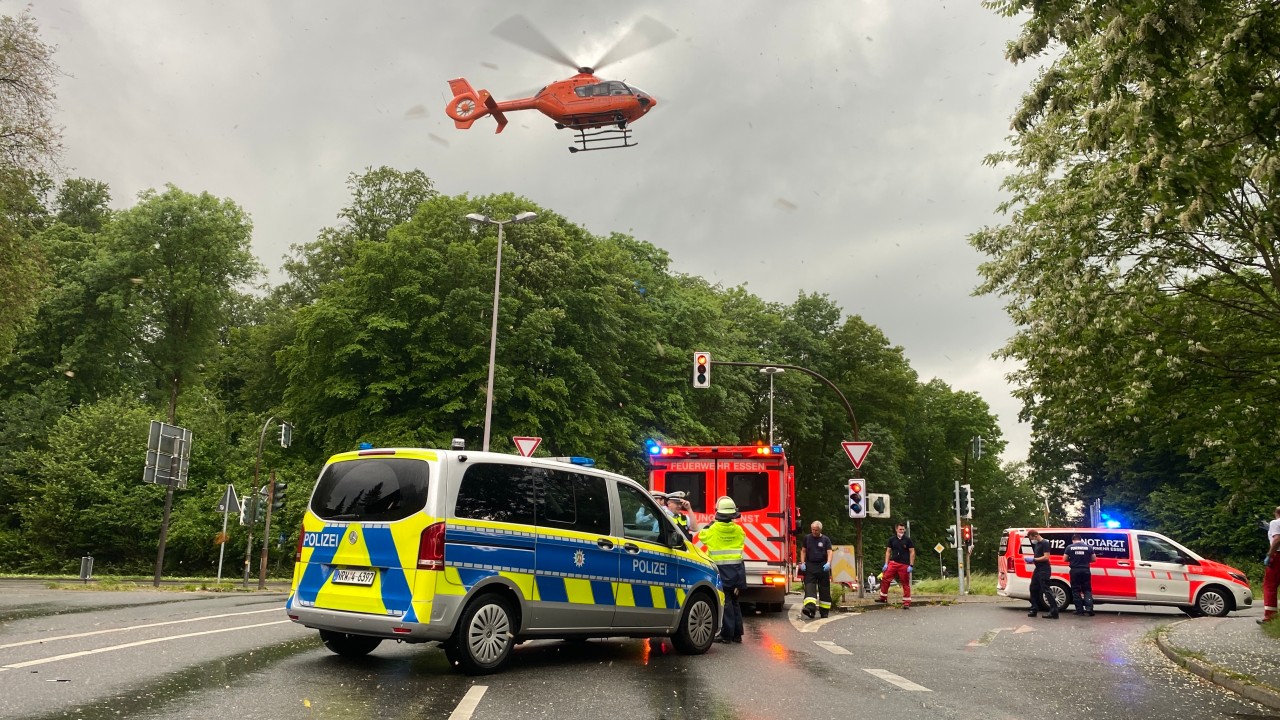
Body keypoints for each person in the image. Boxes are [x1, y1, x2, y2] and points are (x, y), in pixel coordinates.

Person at [700, 496, 746, 643]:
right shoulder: (739, 530)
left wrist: (712, 521)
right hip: (737, 570)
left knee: (724, 602)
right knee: (734, 601)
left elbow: (702, 536)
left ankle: (726, 635)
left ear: (718, 513)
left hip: (721, 570)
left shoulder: (712, 530)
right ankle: (737, 635)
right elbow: (741, 538)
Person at [799, 521, 834, 619]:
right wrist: (803, 563)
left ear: (820, 530)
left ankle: (824, 612)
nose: (814, 532)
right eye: (812, 530)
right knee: (809, 588)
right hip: (810, 566)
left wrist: (828, 563)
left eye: (816, 530)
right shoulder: (807, 538)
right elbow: (803, 551)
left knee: (824, 589)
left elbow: (829, 552)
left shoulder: (825, 539)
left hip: (823, 566)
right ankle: (810, 608)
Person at [877, 523, 915, 609]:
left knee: (905, 582)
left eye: (903, 529)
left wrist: (911, 565)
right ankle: (883, 598)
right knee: (885, 578)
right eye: (900, 529)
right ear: (896, 530)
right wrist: (886, 563)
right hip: (893, 563)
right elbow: (888, 551)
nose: (902, 531)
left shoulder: (908, 540)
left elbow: (912, 552)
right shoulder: (892, 540)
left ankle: (906, 602)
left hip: (904, 564)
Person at [1024, 529, 1058, 619]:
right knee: (1033, 588)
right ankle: (1034, 608)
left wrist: (1034, 560)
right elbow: (1039, 556)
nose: (1031, 540)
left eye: (1031, 538)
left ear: (1035, 535)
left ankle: (1054, 611)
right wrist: (1033, 560)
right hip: (1038, 568)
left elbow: (1046, 557)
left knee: (1046, 589)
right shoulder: (1037, 544)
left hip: (1044, 569)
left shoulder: (1045, 543)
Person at [1066, 532, 1095, 616]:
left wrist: (1073, 560)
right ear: (1080, 539)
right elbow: (1094, 559)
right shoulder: (1089, 547)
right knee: (1087, 590)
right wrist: (1085, 561)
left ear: (1073, 540)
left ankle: (1079, 610)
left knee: (1075, 590)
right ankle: (1089, 608)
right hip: (1086, 570)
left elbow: (1065, 559)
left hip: (1075, 570)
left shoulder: (1069, 547)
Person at [1261, 505, 1280, 625]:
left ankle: (1270, 616)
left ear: (1276, 513)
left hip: (1277, 556)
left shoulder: (1275, 523)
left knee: (1270, 586)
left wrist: (1269, 555)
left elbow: (1277, 539)